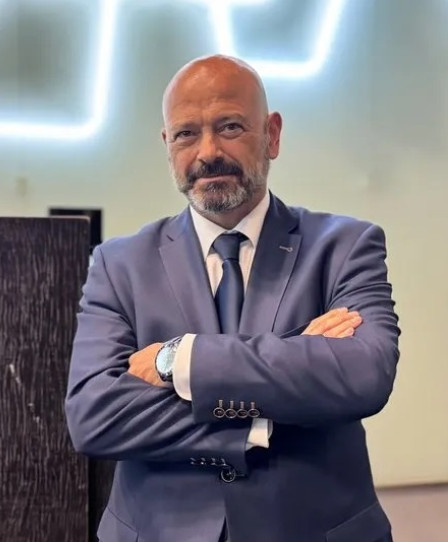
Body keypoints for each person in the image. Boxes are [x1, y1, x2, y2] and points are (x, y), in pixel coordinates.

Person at [65, 54, 400, 542]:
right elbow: (94, 417)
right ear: (167, 145)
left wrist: (178, 359)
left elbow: (365, 375)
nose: (208, 152)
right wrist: (280, 389)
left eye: (230, 127)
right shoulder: (118, 263)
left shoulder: (345, 246)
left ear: (272, 135)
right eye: (186, 134)